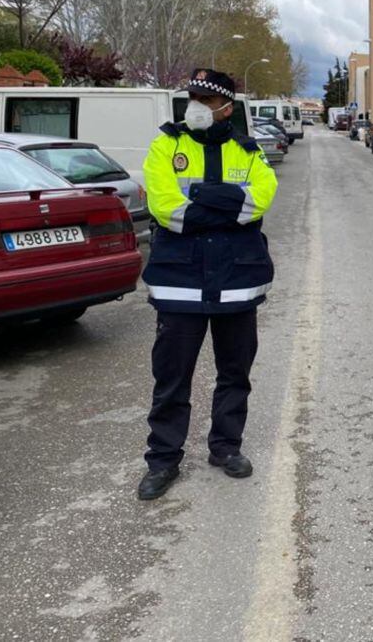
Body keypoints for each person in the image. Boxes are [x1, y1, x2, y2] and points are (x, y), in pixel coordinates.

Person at [137, 69, 278, 501]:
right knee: (171, 379)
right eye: (192, 97)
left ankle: (225, 447)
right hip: (180, 286)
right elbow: (165, 209)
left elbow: (261, 200)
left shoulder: (249, 151)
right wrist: (225, 204)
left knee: (235, 374)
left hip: (236, 283)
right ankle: (163, 460)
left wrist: (198, 197)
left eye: (205, 100)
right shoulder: (166, 145)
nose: (196, 106)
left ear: (226, 109)